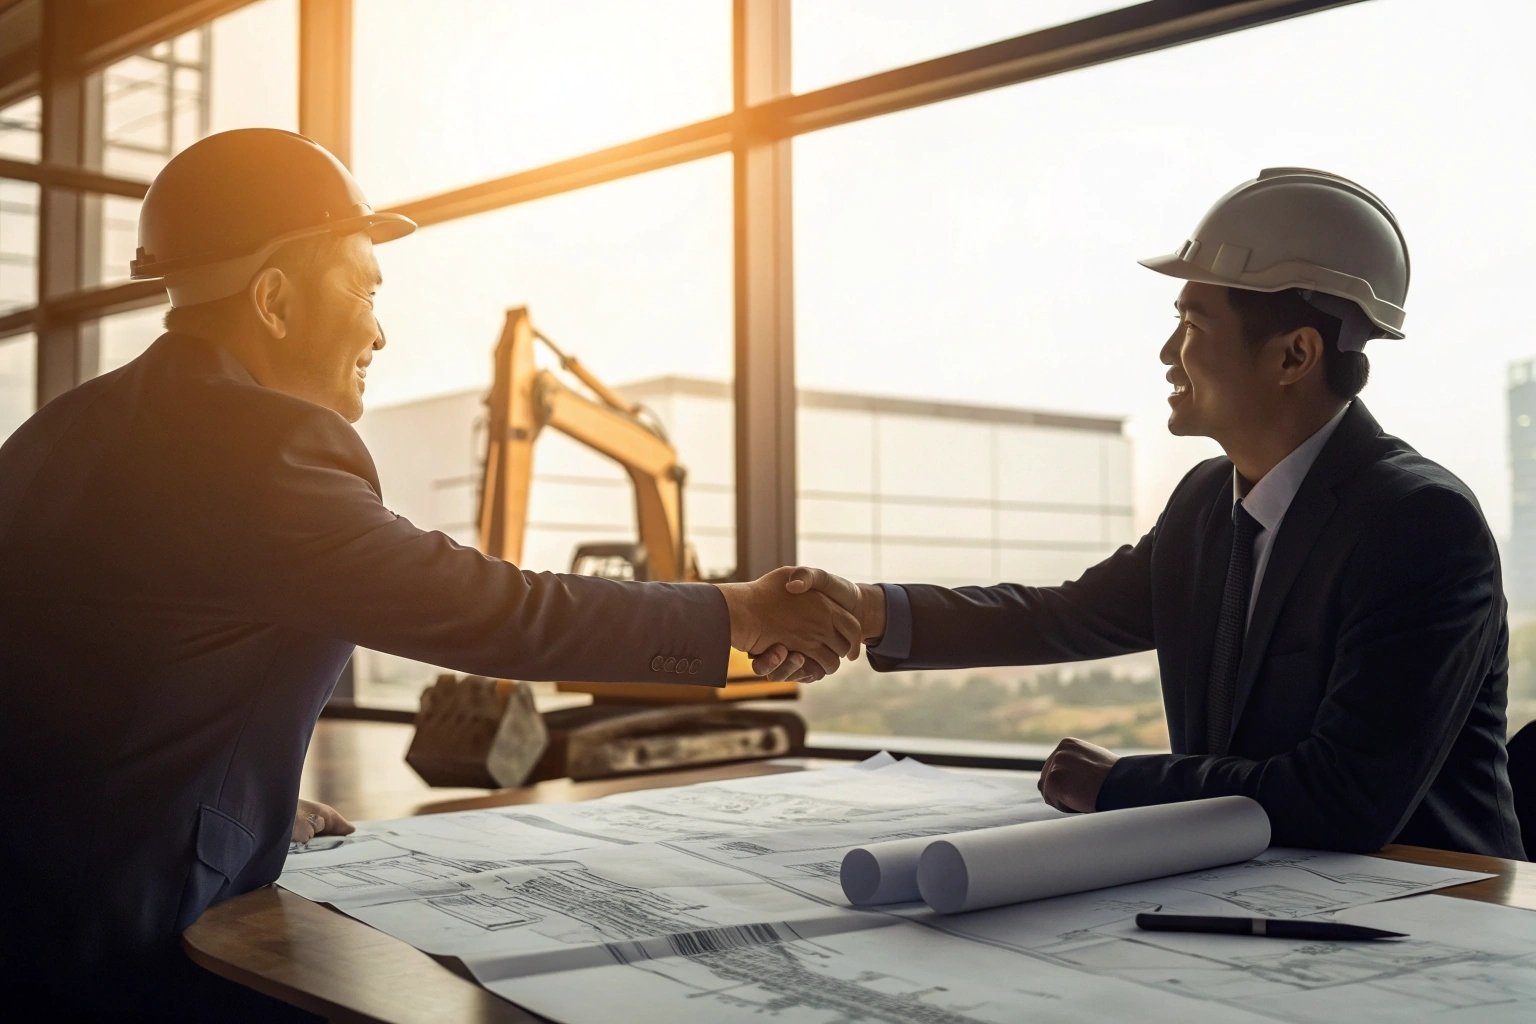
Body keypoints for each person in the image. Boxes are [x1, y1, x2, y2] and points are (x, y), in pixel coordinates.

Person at [0, 128, 861, 1019]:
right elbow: (493, 612)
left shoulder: (62, 432)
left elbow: (90, 684)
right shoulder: (262, 450)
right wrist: (737, 612)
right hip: (122, 954)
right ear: (273, 300)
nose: (379, 328)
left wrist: (228, 803)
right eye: (365, 290)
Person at [761, 168, 1525, 861]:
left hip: (1428, 911)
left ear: (1294, 356)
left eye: (1195, 323)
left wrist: (1121, 786)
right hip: (1252, 891)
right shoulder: (1206, 503)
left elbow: (1345, 798)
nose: (1168, 352)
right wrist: (867, 611)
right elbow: (1061, 615)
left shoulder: (1420, 524)